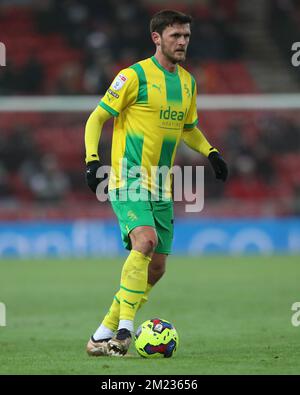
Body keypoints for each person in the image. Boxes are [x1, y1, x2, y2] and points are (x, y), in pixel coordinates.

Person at [84, 10, 228, 357]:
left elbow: (188, 128)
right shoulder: (133, 76)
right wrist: (91, 160)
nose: (182, 42)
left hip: (163, 185)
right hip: (127, 177)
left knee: (158, 267)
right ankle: (123, 332)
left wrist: (210, 152)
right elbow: (98, 116)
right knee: (145, 241)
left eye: (187, 37)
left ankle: (100, 333)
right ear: (157, 38)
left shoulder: (189, 82)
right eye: (176, 36)